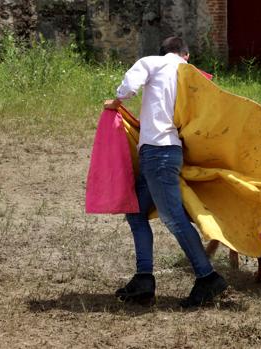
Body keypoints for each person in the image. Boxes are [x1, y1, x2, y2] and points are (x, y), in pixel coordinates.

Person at [104, 36, 227, 307]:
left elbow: (130, 86)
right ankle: (144, 279)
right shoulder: (193, 75)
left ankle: (208, 278)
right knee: (136, 211)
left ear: (162, 52)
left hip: (157, 153)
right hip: (171, 152)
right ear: (186, 54)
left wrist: (116, 101)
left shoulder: (153, 63)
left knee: (173, 219)